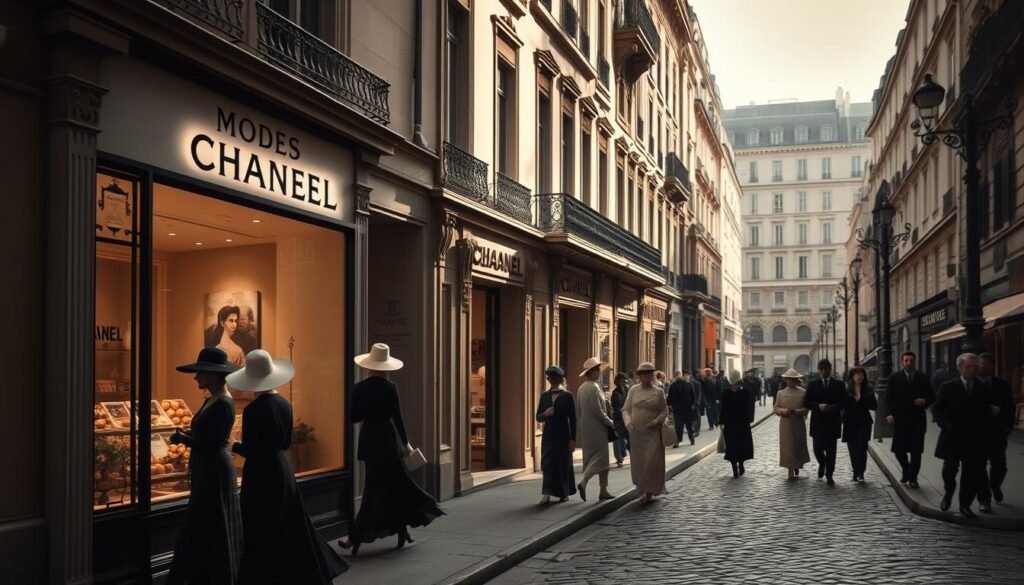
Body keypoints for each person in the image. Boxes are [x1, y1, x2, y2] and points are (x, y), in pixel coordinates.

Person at [227, 349, 347, 584]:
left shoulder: (253, 411)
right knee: (285, 523)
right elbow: (285, 442)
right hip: (282, 468)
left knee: (260, 527)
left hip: (261, 474)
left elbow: (251, 450)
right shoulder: (284, 404)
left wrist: (234, 445)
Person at [339, 344, 444, 555]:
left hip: (369, 441)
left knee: (372, 489)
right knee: (393, 486)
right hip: (389, 441)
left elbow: (354, 417)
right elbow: (398, 418)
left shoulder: (359, 388)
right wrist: (405, 443)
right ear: (386, 368)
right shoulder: (390, 388)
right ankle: (402, 528)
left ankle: (355, 537)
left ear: (368, 366)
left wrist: (369, 410)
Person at [166, 348, 243, 585]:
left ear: (212, 375)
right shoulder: (212, 400)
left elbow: (213, 443)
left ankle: (214, 576)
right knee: (205, 522)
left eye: (200, 372)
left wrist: (183, 439)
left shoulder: (224, 404)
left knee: (211, 521)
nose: (196, 377)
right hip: (207, 467)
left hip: (215, 469)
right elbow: (206, 434)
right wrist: (189, 433)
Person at [933, 353, 991, 518]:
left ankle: (965, 504)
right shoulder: (948, 387)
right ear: (960, 368)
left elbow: (985, 412)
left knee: (970, 474)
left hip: (973, 440)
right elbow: (937, 409)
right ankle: (948, 494)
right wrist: (946, 426)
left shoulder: (983, 387)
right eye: (968, 367)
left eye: (975, 367)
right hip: (952, 438)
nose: (972, 370)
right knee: (949, 470)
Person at [885, 351, 935, 488]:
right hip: (900, 419)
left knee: (916, 451)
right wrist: (889, 413)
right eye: (906, 360)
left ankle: (913, 478)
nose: (909, 363)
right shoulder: (894, 378)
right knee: (898, 450)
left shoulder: (923, 378)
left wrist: (924, 401)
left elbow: (932, 396)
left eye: (911, 360)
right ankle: (906, 469)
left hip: (917, 420)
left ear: (915, 361)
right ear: (902, 362)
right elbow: (888, 398)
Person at [622, 362, 669, 504]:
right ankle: (642, 488)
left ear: (652, 375)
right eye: (643, 374)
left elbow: (664, 411)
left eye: (649, 374)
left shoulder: (658, 392)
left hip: (652, 433)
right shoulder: (633, 391)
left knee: (650, 462)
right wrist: (628, 422)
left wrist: (656, 421)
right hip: (636, 434)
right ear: (639, 376)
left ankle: (650, 491)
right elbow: (626, 410)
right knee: (640, 463)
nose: (646, 377)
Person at [976, 352, 1014, 511]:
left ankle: (995, 485)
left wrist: (1001, 411)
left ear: (992, 366)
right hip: (977, 434)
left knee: (1000, 466)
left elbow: (1011, 408)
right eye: (980, 364)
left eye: (986, 364)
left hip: (997, 433)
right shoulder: (972, 385)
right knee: (978, 467)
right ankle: (984, 500)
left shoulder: (1002, 385)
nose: (982, 366)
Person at [535, 366, 577, 506]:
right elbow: (538, 417)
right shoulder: (545, 396)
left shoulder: (568, 396)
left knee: (563, 464)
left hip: (564, 434)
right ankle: (546, 493)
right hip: (549, 435)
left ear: (559, 379)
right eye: (549, 378)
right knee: (547, 463)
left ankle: (563, 493)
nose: (550, 380)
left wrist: (573, 439)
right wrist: (545, 414)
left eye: (553, 377)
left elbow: (573, 418)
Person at [576, 357, 615, 502]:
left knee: (600, 460)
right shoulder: (593, 388)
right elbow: (597, 410)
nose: (599, 372)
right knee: (599, 459)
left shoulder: (581, 388)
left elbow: (579, 410)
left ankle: (603, 490)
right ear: (591, 372)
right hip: (598, 429)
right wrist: (609, 422)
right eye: (597, 370)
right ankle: (584, 481)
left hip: (587, 428)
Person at [804, 359, 845, 485]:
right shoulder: (813, 384)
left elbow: (844, 402)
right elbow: (806, 402)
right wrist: (817, 406)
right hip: (818, 422)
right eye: (821, 369)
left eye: (826, 369)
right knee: (817, 449)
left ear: (830, 369)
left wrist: (833, 408)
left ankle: (829, 475)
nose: (823, 371)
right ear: (818, 370)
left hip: (833, 422)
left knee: (831, 451)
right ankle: (822, 463)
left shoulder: (838, 384)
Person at [842, 367, 877, 483]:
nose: (859, 376)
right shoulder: (846, 390)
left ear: (864, 376)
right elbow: (842, 405)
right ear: (852, 376)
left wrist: (865, 399)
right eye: (856, 374)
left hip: (864, 422)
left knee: (862, 446)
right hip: (850, 422)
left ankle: (861, 471)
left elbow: (874, 406)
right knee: (852, 448)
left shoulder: (869, 389)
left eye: (861, 374)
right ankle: (855, 470)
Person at [775, 368, 810, 480]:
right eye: (788, 379)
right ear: (785, 380)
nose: (790, 381)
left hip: (798, 423)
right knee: (787, 446)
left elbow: (806, 408)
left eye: (793, 379)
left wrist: (797, 411)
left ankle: (797, 464)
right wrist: (784, 411)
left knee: (797, 445)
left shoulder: (803, 393)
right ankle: (790, 469)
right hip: (785, 423)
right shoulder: (781, 393)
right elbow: (776, 408)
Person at [720, 370, 755, 478]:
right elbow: (723, 408)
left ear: (739, 383)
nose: (733, 386)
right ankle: (734, 467)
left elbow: (750, 408)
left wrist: (749, 419)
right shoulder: (726, 392)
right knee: (731, 447)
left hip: (742, 424)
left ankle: (741, 463)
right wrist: (721, 421)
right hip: (730, 425)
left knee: (742, 446)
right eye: (732, 384)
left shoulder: (746, 392)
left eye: (735, 384)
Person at [667, 370, 697, 446]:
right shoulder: (672, 386)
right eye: (676, 375)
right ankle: (677, 441)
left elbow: (693, 396)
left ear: (681, 375)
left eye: (679, 375)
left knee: (689, 426)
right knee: (678, 426)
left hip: (688, 409)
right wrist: (669, 405)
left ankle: (691, 438)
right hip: (677, 410)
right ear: (674, 377)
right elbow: (669, 397)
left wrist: (693, 404)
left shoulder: (689, 385)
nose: (678, 376)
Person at [610, 372, 631, 467]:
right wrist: (621, 410)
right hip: (618, 418)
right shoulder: (615, 392)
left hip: (627, 417)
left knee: (629, 437)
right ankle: (619, 459)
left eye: (625, 380)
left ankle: (631, 455)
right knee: (618, 438)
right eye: (623, 380)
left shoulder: (627, 390)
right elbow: (615, 405)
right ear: (618, 381)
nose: (624, 382)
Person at [691, 369, 705, 436]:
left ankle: (697, 430)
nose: (697, 375)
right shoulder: (689, 383)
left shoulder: (698, 382)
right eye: (696, 374)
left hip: (696, 402)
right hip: (690, 402)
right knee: (691, 416)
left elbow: (699, 393)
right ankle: (693, 428)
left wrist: (697, 403)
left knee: (697, 416)